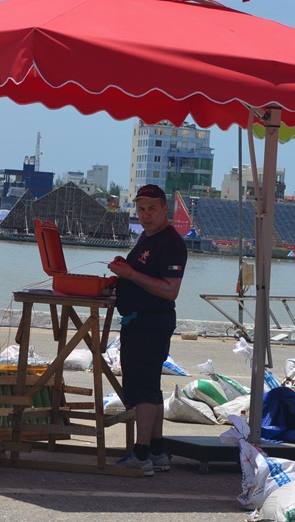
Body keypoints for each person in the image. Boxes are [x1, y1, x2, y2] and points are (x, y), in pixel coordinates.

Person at [107, 184, 187, 476]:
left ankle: (141, 454)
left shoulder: (171, 242)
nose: (146, 215)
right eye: (141, 209)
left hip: (152, 322)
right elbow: (140, 274)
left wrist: (130, 275)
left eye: (152, 208)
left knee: (142, 389)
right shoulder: (146, 237)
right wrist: (123, 277)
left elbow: (170, 290)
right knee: (150, 388)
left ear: (165, 209)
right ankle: (156, 450)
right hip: (138, 321)